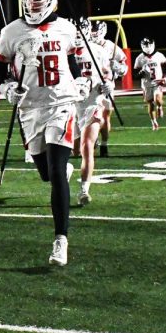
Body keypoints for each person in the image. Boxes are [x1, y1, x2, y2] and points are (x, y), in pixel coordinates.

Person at [0, 0, 83, 267]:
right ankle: (61, 171)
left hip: (61, 104)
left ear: (51, 0)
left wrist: (82, 83)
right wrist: (5, 88)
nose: (33, 4)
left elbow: (74, 64)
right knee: (45, 173)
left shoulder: (67, 29)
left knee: (55, 172)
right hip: (29, 109)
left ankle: (60, 240)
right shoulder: (11, 31)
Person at [71, 20, 111, 206]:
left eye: (81, 31)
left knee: (87, 146)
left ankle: (84, 190)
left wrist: (108, 83)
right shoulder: (63, 51)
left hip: (91, 103)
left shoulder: (98, 51)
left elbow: (107, 73)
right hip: (69, 105)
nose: (78, 35)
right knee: (73, 151)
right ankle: (68, 168)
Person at [91, 21, 127, 157]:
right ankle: (92, 139)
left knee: (105, 117)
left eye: (96, 31)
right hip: (90, 85)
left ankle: (104, 144)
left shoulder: (111, 47)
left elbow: (125, 69)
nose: (94, 34)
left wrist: (116, 66)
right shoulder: (86, 45)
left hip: (107, 85)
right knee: (89, 117)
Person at [134, 37, 166, 130]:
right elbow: (135, 74)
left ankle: (160, 106)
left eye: (149, 44)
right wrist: (141, 72)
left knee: (157, 100)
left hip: (157, 82)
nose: (148, 47)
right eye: (146, 45)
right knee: (150, 103)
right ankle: (153, 122)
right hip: (146, 84)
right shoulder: (139, 58)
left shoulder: (159, 55)